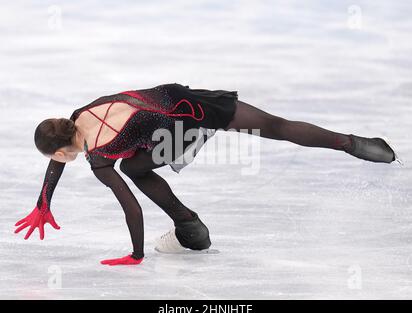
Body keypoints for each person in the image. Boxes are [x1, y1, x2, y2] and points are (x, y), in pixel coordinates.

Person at [14, 83, 399, 266]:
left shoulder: (100, 159)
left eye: (59, 158)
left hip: (180, 134)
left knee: (132, 168)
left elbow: (131, 208)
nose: (58, 163)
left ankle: (190, 227)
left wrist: (136, 254)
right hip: (192, 102)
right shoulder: (81, 112)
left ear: (64, 151)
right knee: (277, 126)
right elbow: (59, 153)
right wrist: (43, 200)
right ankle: (357, 144)